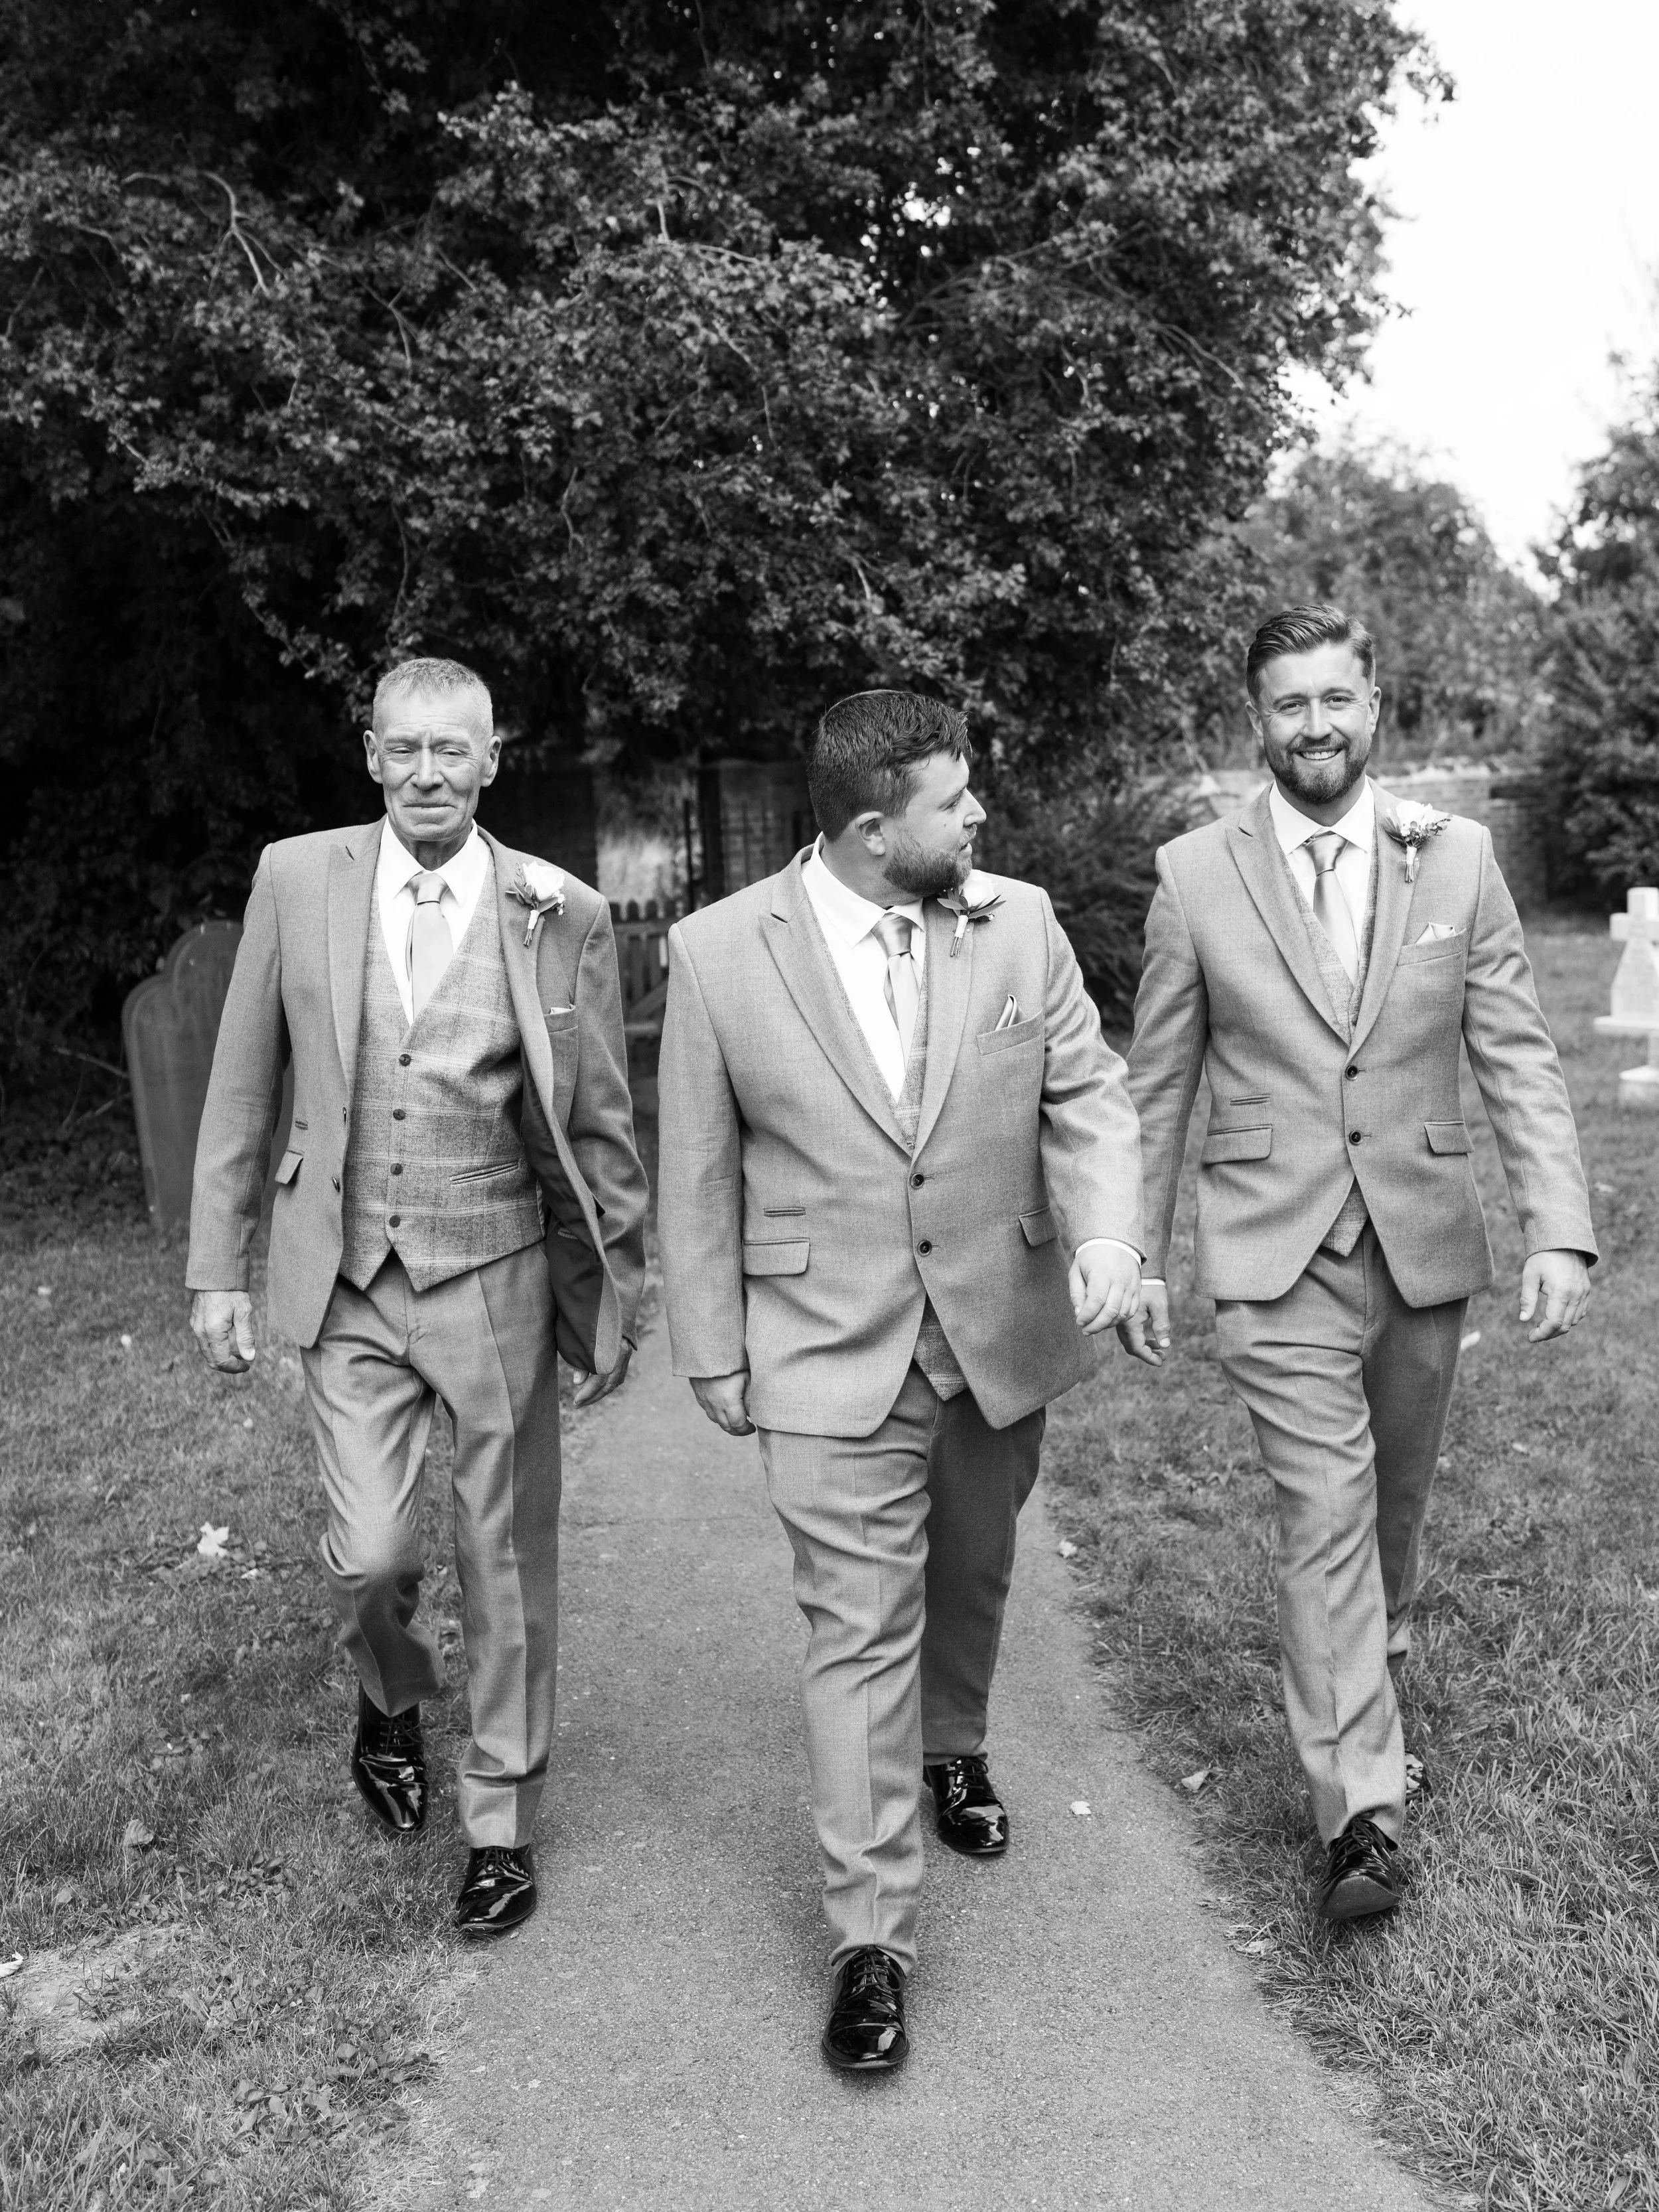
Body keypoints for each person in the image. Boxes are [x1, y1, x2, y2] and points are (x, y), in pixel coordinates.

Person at [656, 690, 1143, 2071]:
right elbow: (695, 1169)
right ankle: (869, 1938)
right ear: (874, 831)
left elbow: (1086, 1090)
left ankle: (954, 1742)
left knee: (974, 1567)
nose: (979, 813)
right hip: (823, 1341)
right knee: (854, 1631)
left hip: (995, 1322)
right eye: (954, 797)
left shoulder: (1018, 921)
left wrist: (1109, 1233)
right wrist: (710, 1343)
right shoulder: (717, 953)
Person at [1118, 604, 1595, 1921]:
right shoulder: (1193, 876)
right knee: (1323, 1514)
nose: (1315, 725)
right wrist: (1134, 1250)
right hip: (1272, 1249)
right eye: (1290, 703)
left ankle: (1365, 1687)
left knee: (1389, 1509)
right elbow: (1154, 1086)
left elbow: (1515, 1051)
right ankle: (1360, 1820)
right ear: (1255, 720)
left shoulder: (1456, 857)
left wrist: (1557, 1222)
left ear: (1374, 707)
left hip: (1420, 1240)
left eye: (1336, 698)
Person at [186, 656, 646, 1935]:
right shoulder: (297, 877)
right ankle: (389, 1697)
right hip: (346, 1276)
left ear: (493, 759)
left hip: (494, 1271)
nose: (428, 772)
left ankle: (501, 1823)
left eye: (454, 749)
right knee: (373, 1554)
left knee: (506, 1559)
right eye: (406, 748)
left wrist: (618, 1288)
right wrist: (219, 1266)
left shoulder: (562, 910)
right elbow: (240, 1083)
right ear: (372, 755)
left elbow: (600, 1123)